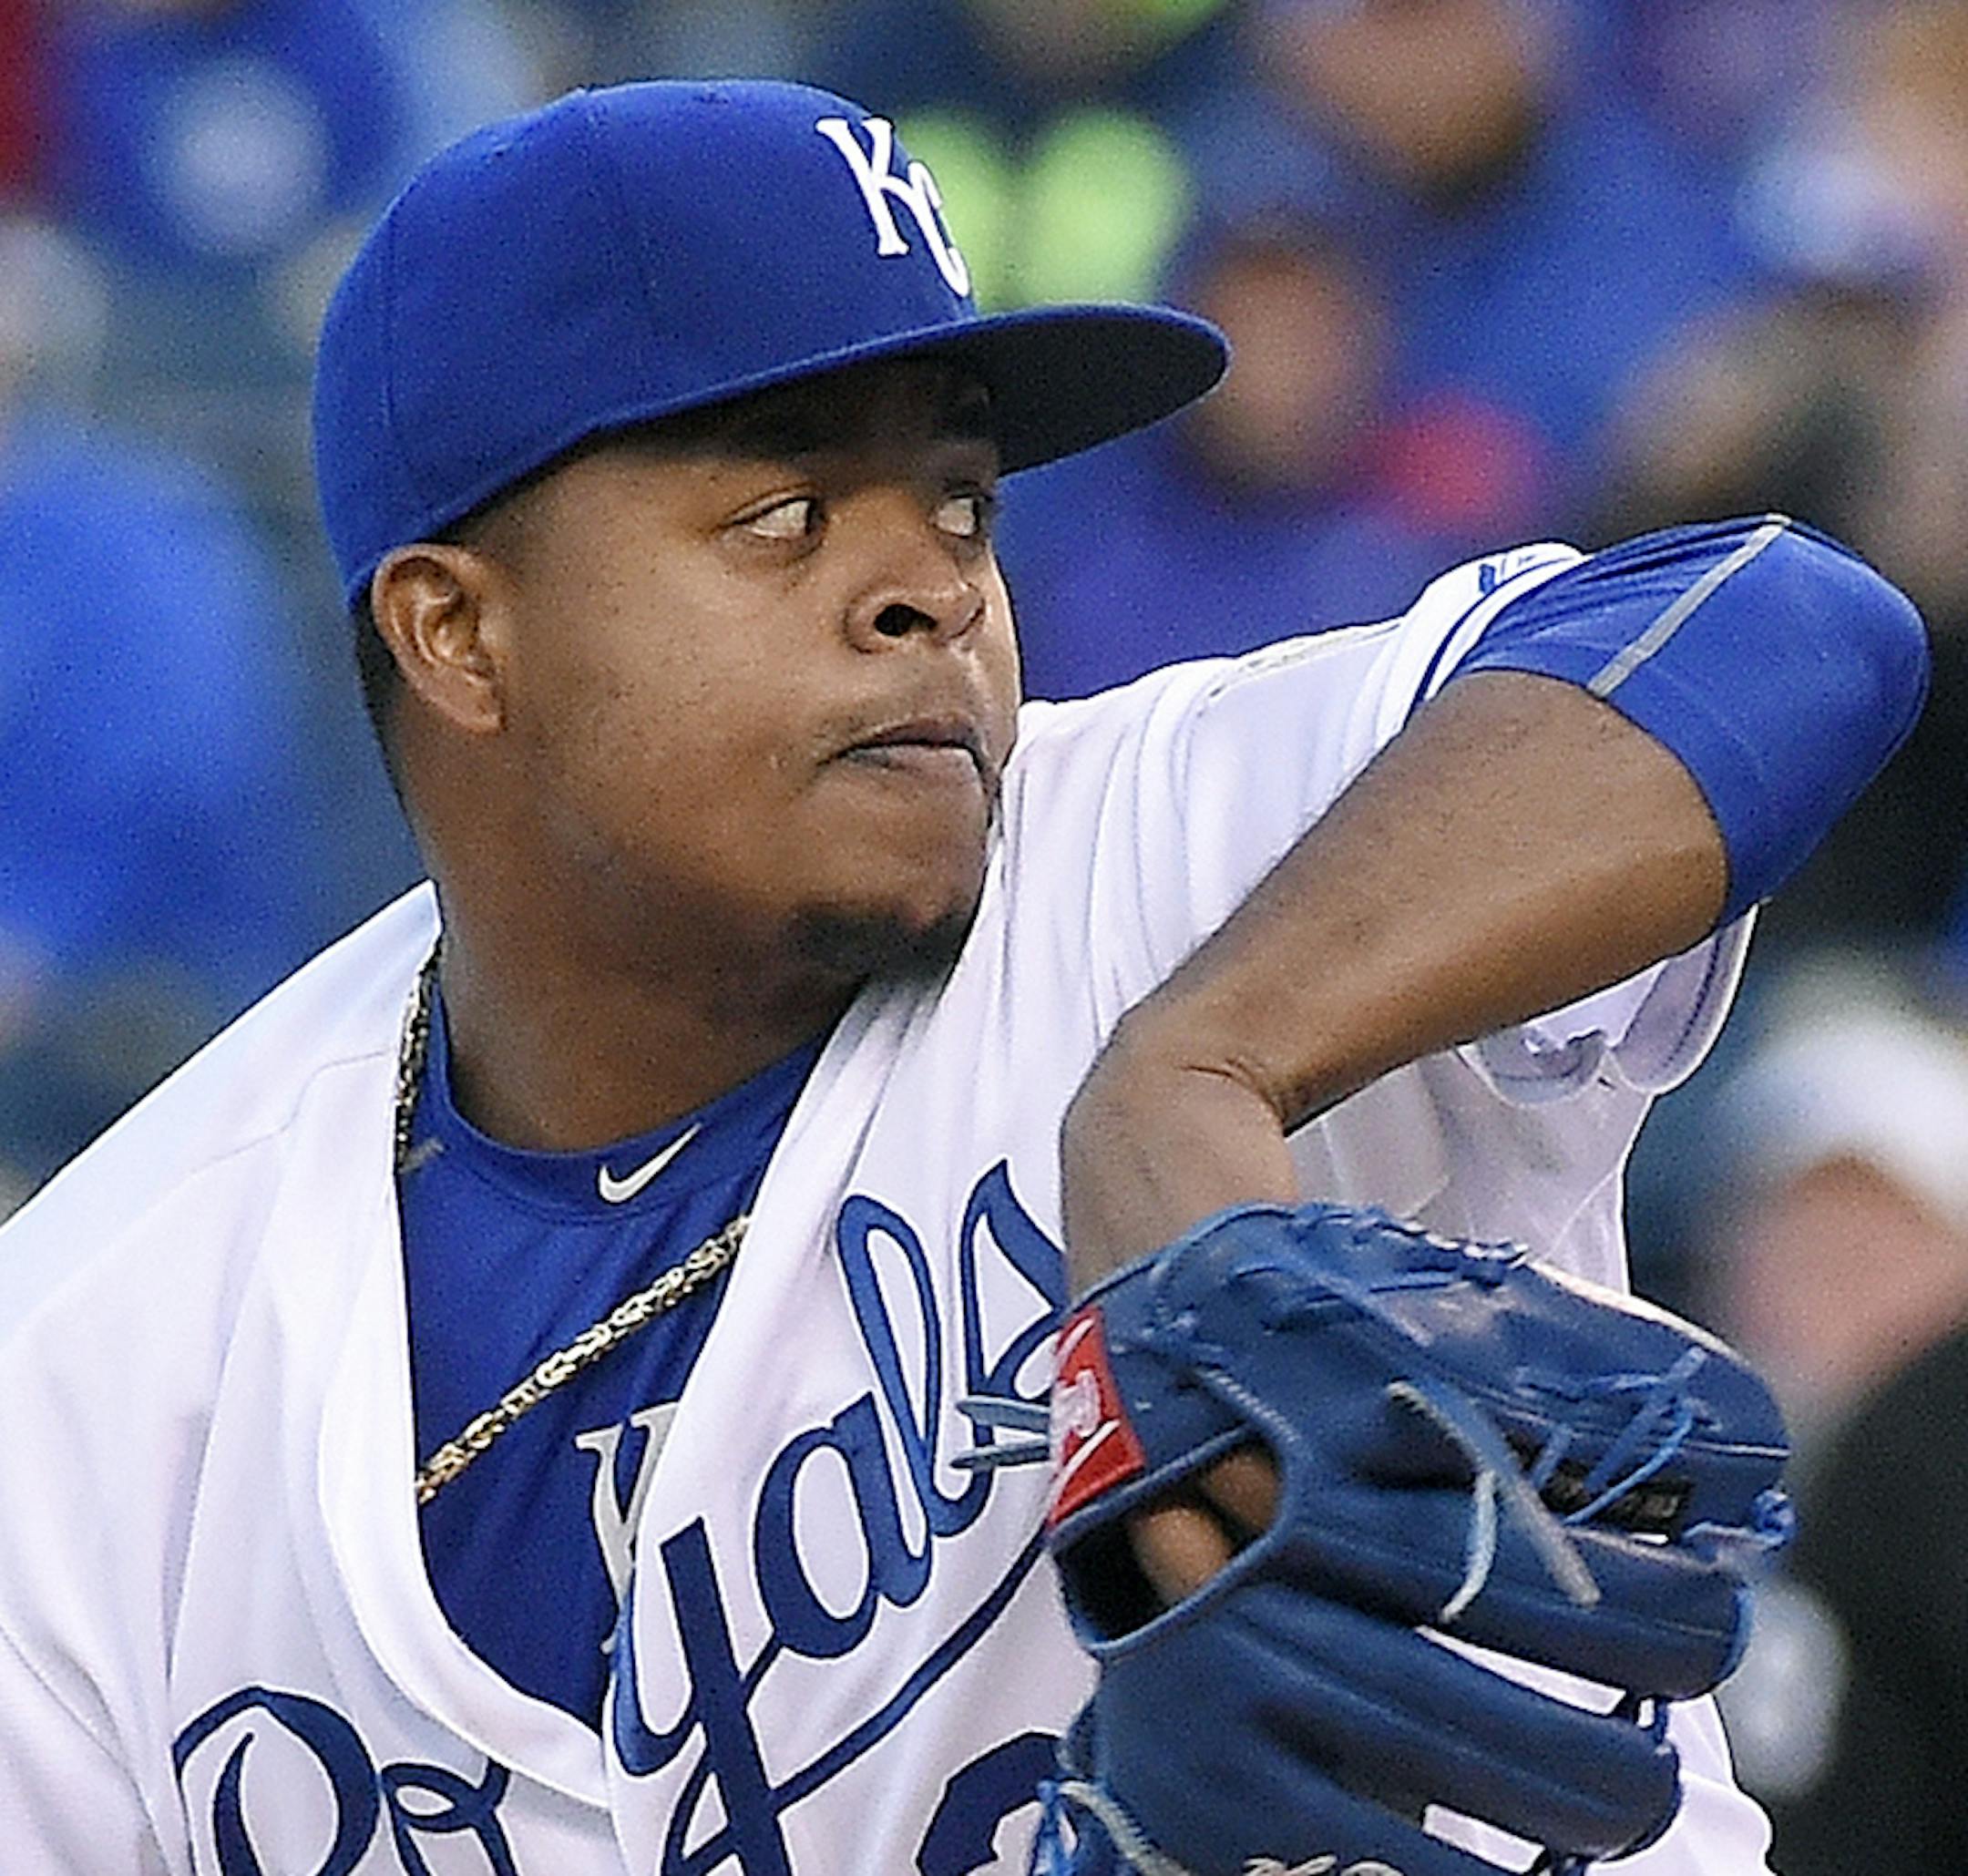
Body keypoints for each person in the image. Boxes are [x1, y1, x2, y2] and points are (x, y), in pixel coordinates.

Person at [0, 78, 1927, 1875]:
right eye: (783, 513)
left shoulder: (1172, 855)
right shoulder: (99, 1369)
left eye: (963, 501)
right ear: (457, 636)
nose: (934, 585)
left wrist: (1202, 1068)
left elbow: (1779, 625)